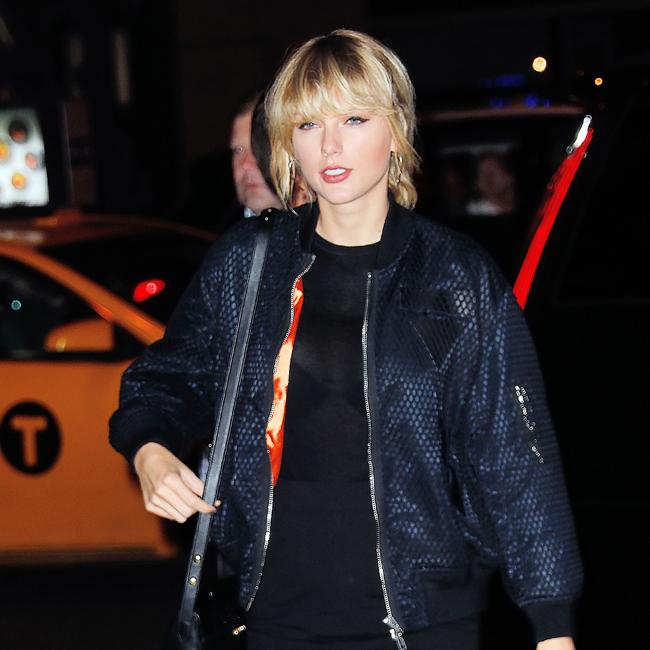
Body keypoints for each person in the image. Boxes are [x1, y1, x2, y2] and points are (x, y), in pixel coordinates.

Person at [109, 29, 582, 650]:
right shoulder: (250, 263)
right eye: (308, 124)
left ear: (396, 129)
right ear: (287, 141)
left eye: (354, 119)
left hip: (425, 619)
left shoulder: (453, 275)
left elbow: (514, 454)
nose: (329, 145)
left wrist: (552, 626)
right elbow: (166, 380)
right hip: (276, 611)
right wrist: (149, 449)